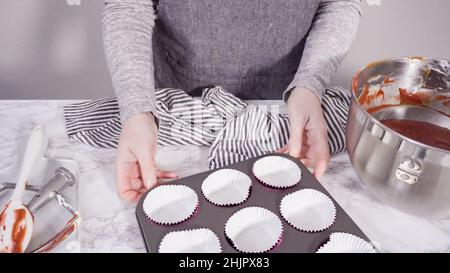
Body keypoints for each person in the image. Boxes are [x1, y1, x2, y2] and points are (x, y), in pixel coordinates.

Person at [102, 0, 361, 203]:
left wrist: (310, 85)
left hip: (286, 104)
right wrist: (138, 110)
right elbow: (128, 5)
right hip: (179, 103)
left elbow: (339, 2)